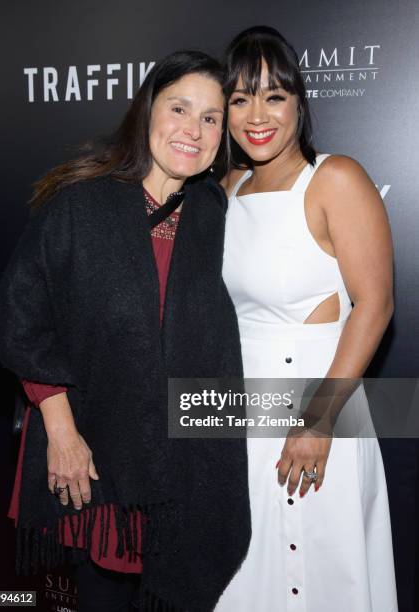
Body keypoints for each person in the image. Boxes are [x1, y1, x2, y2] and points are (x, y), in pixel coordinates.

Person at [0, 50, 251, 612]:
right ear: (147, 109)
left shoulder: (210, 210)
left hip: (181, 462)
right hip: (95, 453)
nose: (193, 130)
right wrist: (62, 434)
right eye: (180, 108)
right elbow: (19, 319)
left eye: (209, 118)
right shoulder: (82, 203)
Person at [216, 26, 398, 612]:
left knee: (321, 572)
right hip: (238, 413)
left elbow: (375, 305)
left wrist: (319, 423)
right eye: (240, 98)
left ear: (299, 101)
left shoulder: (334, 178)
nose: (256, 114)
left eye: (274, 95)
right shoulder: (226, 188)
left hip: (319, 406)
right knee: (246, 574)